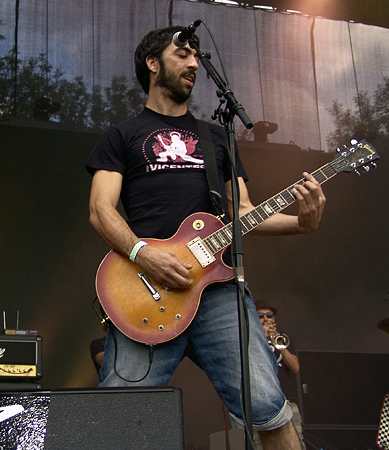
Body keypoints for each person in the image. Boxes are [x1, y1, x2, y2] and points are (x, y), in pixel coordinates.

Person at [85, 26, 325, 448]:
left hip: (217, 292)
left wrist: (302, 225)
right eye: (182, 54)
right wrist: (144, 255)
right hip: (146, 290)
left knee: (271, 409)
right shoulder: (122, 135)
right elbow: (100, 210)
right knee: (117, 418)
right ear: (153, 63)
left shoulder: (216, 136)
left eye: (196, 56)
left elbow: (244, 213)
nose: (194, 63)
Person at [255, 300, 306, 449]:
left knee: (296, 443)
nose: (266, 319)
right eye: (261, 316)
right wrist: (262, 339)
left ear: (274, 319)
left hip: (287, 403)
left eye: (269, 315)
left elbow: (295, 367)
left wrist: (279, 346)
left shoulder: (284, 338)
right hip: (262, 404)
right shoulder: (251, 339)